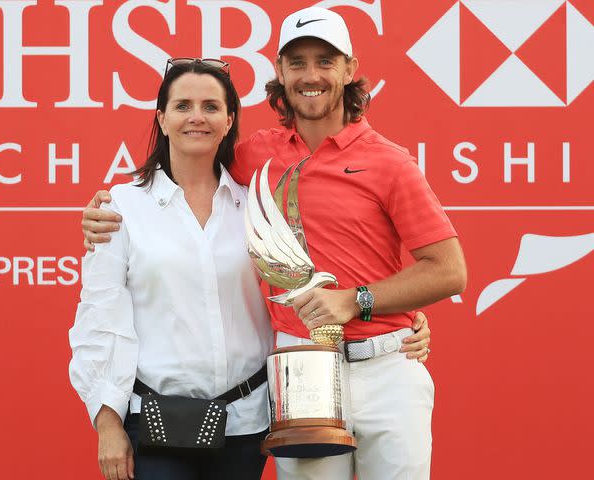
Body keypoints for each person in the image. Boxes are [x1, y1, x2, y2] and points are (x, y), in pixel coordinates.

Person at [80, 6, 456, 480]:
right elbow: (187, 171)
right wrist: (108, 209)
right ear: (279, 72)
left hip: (387, 368)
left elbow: (448, 269)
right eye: (297, 63)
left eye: (325, 60)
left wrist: (364, 303)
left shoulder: (391, 162)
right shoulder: (253, 158)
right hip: (300, 371)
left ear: (350, 69)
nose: (311, 75)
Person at [69, 58, 274, 480]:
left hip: (246, 425)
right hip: (154, 425)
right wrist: (107, 424)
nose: (196, 117)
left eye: (211, 106)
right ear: (162, 119)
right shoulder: (120, 208)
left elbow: (307, 286)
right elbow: (99, 320)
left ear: (229, 119)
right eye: (182, 106)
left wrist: (397, 319)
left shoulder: (257, 206)